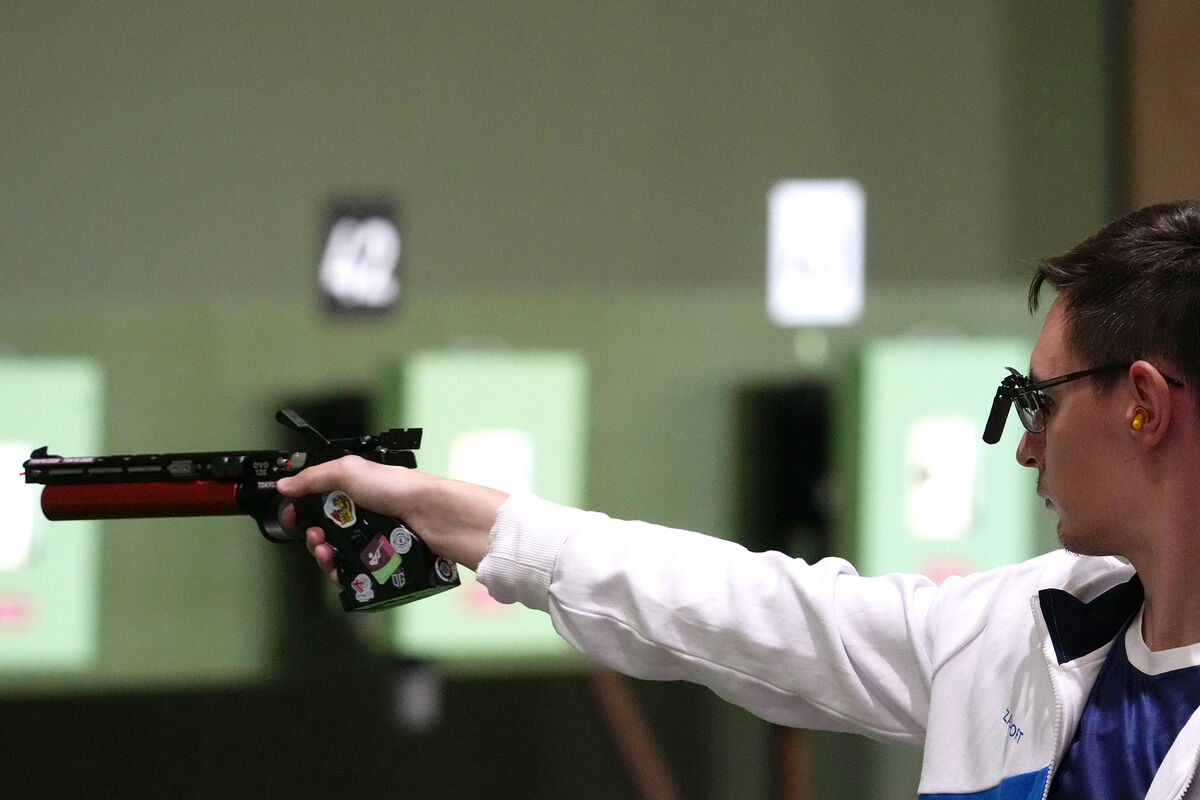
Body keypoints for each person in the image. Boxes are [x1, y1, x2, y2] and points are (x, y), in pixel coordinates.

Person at [277, 198, 1200, 799]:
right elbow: (757, 614)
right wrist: (458, 514)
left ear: (1145, 408)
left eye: (1042, 401)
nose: (1028, 443)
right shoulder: (1029, 628)